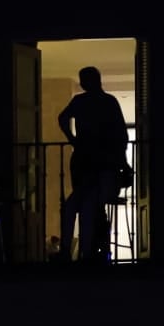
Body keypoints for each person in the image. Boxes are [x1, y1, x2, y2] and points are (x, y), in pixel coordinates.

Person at [56, 66, 130, 262]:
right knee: (84, 205)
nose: (83, 84)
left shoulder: (84, 102)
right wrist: (122, 162)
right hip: (94, 164)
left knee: (81, 205)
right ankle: (85, 251)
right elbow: (121, 135)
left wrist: (73, 139)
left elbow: (63, 118)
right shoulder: (107, 102)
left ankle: (79, 251)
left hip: (89, 163)